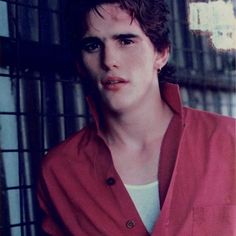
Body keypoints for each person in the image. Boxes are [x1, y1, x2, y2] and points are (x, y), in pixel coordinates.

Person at [37, 0, 236, 235]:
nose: (109, 60)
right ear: (80, 63)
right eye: (92, 45)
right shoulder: (60, 171)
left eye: (126, 41)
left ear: (161, 53)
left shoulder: (228, 140)